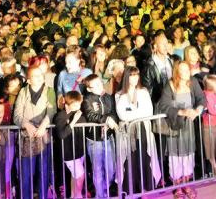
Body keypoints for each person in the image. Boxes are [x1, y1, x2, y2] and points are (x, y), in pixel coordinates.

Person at [155, 60, 206, 199]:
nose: (186, 73)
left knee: (188, 154)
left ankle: (186, 183)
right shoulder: (170, 85)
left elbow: (201, 98)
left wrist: (198, 110)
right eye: (182, 70)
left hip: (189, 126)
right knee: (175, 156)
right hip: (175, 125)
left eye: (187, 69)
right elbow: (164, 106)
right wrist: (182, 112)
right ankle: (177, 186)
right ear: (177, 71)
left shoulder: (193, 82)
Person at [13, 56, 57, 199]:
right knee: (25, 174)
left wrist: (43, 126)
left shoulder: (49, 91)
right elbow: (17, 115)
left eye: (40, 75)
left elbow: (51, 111)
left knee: (43, 172)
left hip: (43, 136)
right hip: (26, 138)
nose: (38, 78)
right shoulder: (23, 92)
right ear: (28, 79)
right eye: (35, 76)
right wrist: (26, 125)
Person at [115, 66, 162, 195]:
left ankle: (145, 189)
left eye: (137, 75)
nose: (135, 78)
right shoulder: (119, 95)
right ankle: (131, 190)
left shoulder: (144, 92)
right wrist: (136, 114)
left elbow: (148, 111)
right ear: (127, 77)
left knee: (145, 159)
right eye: (132, 75)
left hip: (143, 130)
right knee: (130, 161)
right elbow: (122, 115)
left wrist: (133, 114)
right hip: (128, 133)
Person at [81, 74, 117, 198]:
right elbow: (91, 115)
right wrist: (105, 120)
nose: (99, 86)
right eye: (95, 85)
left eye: (100, 83)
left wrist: (110, 119)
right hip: (94, 140)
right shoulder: (87, 100)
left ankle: (106, 189)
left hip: (108, 137)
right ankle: (100, 195)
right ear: (89, 89)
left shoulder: (108, 97)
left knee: (111, 169)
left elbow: (113, 113)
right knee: (97, 170)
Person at [54, 91, 87, 199]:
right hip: (68, 153)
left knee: (75, 176)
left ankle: (73, 195)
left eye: (78, 103)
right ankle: (78, 195)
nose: (77, 106)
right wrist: (73, 121)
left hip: (79, 151)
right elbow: (62, 134)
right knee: (81, 175)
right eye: (74, 104)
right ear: (67, 104)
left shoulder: (80, 113)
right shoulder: (61, 115)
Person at [200, 74, 216, 178]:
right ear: (212, 86)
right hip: (208, 125)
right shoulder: (207, 95)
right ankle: (215, 167)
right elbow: (212, 109)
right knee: (210, 148)